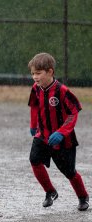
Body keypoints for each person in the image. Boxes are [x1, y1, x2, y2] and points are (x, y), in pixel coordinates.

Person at [28, 52, 89, 211]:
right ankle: (50, 191)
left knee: (69, 171)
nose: (35, 77)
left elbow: (73, 112)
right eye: (33, 73)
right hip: (42, 135)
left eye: (38, 73)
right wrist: (33, 125)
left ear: (50, 72)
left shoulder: (62, 90)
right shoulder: (36, 88)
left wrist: (62, 132)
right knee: (34, 160)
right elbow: (34, 106)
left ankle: (83, 197)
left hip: (63, 139)